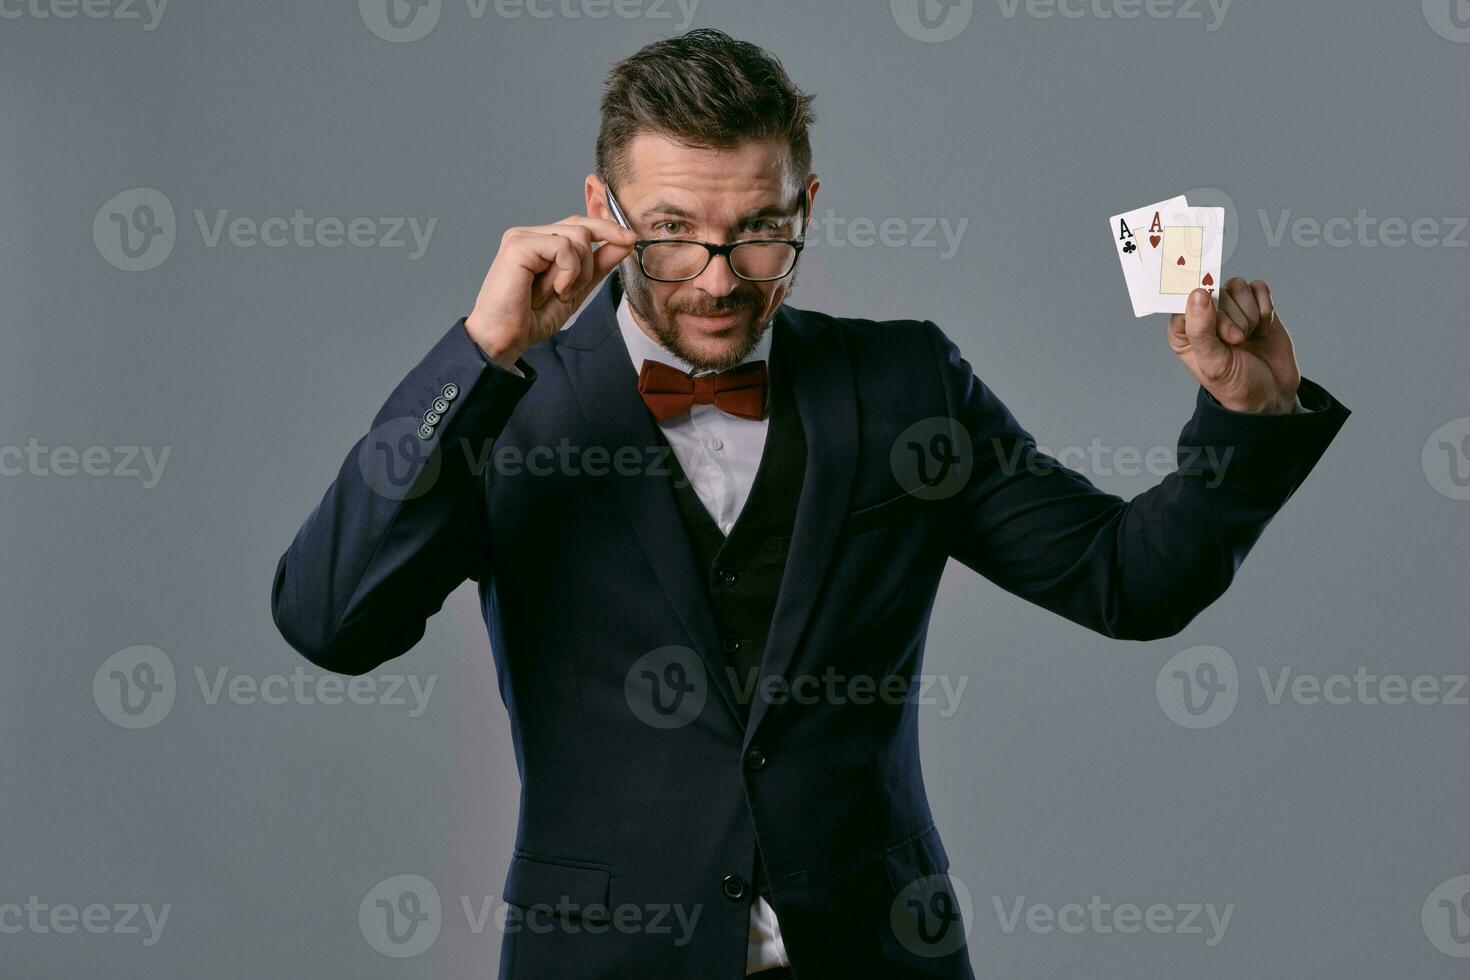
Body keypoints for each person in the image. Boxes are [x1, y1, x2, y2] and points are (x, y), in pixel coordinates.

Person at [271, 28, 1349, 980]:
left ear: (809, 206)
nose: (718, 276)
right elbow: (327, 619)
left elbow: (1127, 581)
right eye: (672, 229)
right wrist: (479, 355)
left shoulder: (908, 385)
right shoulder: (504, 405)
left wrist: (1243, 417)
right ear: (600, 213)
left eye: (761, 230)